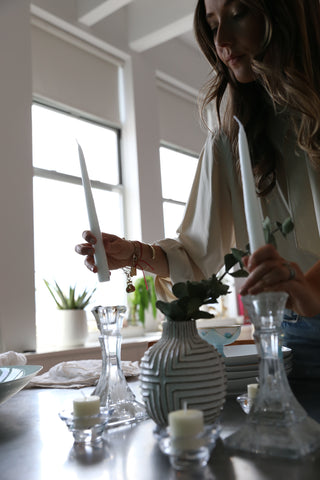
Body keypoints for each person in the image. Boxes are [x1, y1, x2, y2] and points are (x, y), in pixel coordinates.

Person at [76, 0, 320, 379]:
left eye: (238, 13)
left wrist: (307, 288)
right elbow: (198, 257)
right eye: (212, 23)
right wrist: (135, 254)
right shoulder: (230, 135)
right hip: (290, 338)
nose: (221, 39)